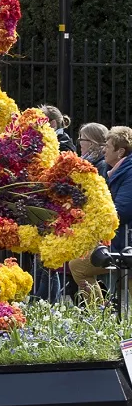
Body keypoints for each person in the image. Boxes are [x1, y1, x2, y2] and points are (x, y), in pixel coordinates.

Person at [68, 126, 132, 299]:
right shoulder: (113, 170)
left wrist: (92, 218)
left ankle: (97, 312)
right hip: (118, 240)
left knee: (78, 266)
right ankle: (98, 312)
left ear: (120, 152)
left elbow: (122, 211)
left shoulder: (129, 172)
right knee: (77, 266)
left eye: (108, 147)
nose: (104, 150)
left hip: (125, 242)